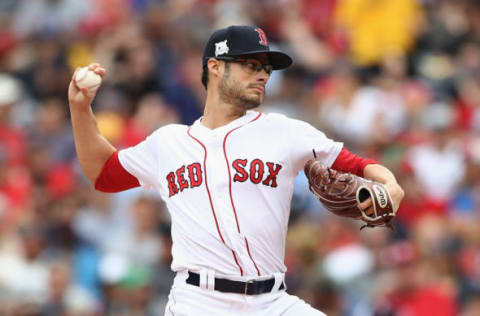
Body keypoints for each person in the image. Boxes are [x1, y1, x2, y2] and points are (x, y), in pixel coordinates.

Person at [68, 25, 404, 316]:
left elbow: (360, 166)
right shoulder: (167, 143)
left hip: (272, 301)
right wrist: (80, 108)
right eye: (249, 64)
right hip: (199, 301)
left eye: (265, 68)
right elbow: (103, 173)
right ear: (215, 67)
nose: (262, 74)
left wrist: (389, 185)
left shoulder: (285, 132)